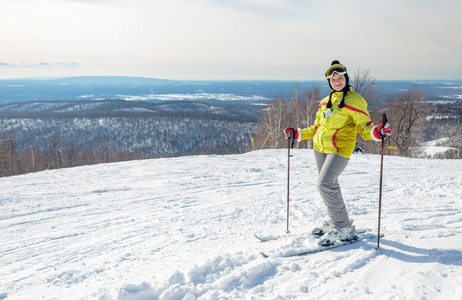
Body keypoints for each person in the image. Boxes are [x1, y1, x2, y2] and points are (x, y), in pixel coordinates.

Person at [284, 60, 391, 246]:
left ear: (345, 78)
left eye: (340, 77)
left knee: (324, 184)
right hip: (320, 148)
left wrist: (376, 132)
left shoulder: (354, 100)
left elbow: (364, 127)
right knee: (330, 186)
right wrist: (298, 134)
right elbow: (317, 127)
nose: (337, 81)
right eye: (333, 79)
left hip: (340, 148)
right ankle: (338, 222)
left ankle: (343, 228)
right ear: (329, 82)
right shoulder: (325, 102)